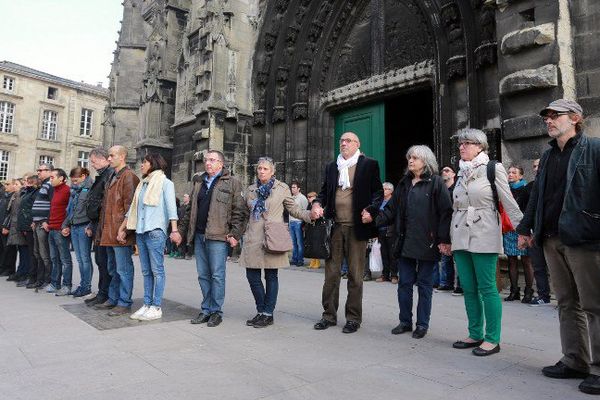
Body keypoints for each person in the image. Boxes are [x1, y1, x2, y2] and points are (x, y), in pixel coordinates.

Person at [516, 99, 600, 395]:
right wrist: (526, 228)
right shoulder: (549, 155)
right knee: (566, 302)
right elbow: (538, 194)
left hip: (584, 238)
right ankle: (575, 359)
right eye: (547, 117)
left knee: (595, 305)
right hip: (551, 238)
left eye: (555, 116)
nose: (549, 121)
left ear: (575, 118)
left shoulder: (594, 148)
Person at [450, 128, 522, 356]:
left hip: (484, 232)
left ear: (480, 146)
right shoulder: (460, 172)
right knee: (468, 288)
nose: (462, 147)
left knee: (487, 287)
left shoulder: (493, 168)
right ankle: (474, 333)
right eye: (461, 143)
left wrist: (524, 230)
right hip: (460, 233)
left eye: (468, 143)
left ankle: (492, 338)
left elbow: (508, 201)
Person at [311, 131, 383, 334]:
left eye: (348, 140)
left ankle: (353, 318)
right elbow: (324, 192)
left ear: (357, 144)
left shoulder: (368, 164)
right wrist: (317, 203)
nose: (343, 143)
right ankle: (329, 315)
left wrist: (371, 210)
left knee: (355, 274)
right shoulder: (331, 166)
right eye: (342, 140)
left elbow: (377, 193)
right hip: (334, 227)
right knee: (331, 274)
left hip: (356, 227)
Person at [377, 146, 453, 339]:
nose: (411, 161)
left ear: (426, 161)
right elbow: (391, 209)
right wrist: (373, 220)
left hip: (427, 242)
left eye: (415, 158)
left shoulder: (436, 182)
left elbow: (446, 212)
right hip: (405, 241)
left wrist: (443, 239)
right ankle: (404, 321)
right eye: (409, 157)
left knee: (425, 285)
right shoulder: (404, 183)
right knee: (404, 283)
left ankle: (422, 324)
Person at [239, 158, 312, 328]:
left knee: (271, 276)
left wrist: (309, 215)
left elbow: (293, 209)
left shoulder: (282, 188)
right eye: (259, 168)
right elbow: (243, 214)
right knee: (252, 276)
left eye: (265, 169)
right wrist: (235, 234)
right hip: (253, 238)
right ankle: (260, 310)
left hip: (273, 237)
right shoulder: (251, 189)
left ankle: (268, 313)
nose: (261, 171)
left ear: (272, 172)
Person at [180, 150, 247, 327]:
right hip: (199, 235)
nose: (207, 163)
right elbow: (189, 211)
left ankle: (216, 311)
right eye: (206, 160)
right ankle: (206, 309)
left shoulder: (232, 183)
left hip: (218, 236)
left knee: (217, 275)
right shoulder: (198, 182)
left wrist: (235, 234)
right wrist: (181, 231)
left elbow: (239, 212)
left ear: (221, 164)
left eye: (212, 160)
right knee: (203, 275)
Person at [118, 154, 181, 321]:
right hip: (141, 231)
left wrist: (174, 230)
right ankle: (147, 304)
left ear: (153, 164)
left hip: (155, 231)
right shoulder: (143, 185)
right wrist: (123, 228)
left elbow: (171, 208)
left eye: (144, 162)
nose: (141, 165)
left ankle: (156, 306)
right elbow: (133, 209)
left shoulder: (165, 183)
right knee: (146, 271)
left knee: (157, 271)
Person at [95, 146, 140, 316]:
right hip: (110, 231)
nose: (109, 158)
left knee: (123, 269)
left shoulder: (128, 177)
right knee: (112, 268)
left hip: (120, 233)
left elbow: (131, 208)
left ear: (122, 157)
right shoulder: (113, 176)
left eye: (112, 155)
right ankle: (113, 299)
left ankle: (124, 302)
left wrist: (126, 231)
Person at [84, 148, 115, 306]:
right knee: (100, 260)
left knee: (104, 261)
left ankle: (106, 294)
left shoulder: (109, 174)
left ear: (103, 159)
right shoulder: (102, 175)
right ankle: (102, 292)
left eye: (94, 161)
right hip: (97, 223)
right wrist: (91, 222)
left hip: (103, 224)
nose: (93, 164)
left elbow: (105, 201)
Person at [503, 165, 534, 303]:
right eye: (509, 172)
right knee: (511, 260)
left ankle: (529, 291)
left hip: (523, 228)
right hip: (509, 228)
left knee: (527, 260)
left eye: (514, 172)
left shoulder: (527, 189)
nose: (510, 174)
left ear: (521, 176)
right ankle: (514, 290)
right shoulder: (505, 190)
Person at [525, 158, 552, 306]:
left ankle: (567, 299)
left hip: (553, 232)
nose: (536, 168)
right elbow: (524, 209)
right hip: (535, 232)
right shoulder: (530, 187)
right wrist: (526, 230)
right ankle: (543, 295)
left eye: (539, 166)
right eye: (534, 166)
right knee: (538, 266)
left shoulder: (553, 185)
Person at [66, 167, 94, 297]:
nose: (74, 183)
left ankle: (86, 286)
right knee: (79, 259)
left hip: (83, 226)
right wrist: (66, 224)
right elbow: (70, 209)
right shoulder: (75, 190)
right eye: (73, 181)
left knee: (85, 258)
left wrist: (90, 226)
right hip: (74, 226)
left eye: (76, 180)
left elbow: (93, 210)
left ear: (84, 176)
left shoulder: (91, 187)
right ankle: (83, 285)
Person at [434, 166, 462, 294]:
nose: (444, 173)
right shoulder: (440, 190)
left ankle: (461, 285)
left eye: (447, 171)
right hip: (444, 224)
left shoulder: (458, 189)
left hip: (457, 224)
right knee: (445, 254)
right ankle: (446, 282)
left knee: (459, 256)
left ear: (454, 174)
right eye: (443, 171)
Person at [47, 168, 74, 296]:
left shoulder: (67, 191)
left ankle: (67, 285)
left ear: (61, 178)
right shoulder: (54, 191)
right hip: (52, 228)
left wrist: (66, 225)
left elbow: (71, 210)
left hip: (60, 229)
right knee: (54, 258)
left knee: (65, 259)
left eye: (52, 177)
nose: (50, 179)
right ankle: (55, 283)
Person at [30, 163, 54, 290]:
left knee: (45, 254)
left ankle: (47, 279)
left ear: (50, 171)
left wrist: (46, 220)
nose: (38, 172)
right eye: (38, 170)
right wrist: (35, 219)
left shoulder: (50, 184)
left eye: (41, 170)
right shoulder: (43, 185)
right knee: (37, 253)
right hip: (37, 222)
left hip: (43, 224)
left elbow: (53, 204)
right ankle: (40, 279)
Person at [4, 179, 29, 282]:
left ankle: (23, 272)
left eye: (16, 184)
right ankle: (20, 271)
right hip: (15, 226)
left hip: (20, 226)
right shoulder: (15, 196)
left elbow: (21, 212)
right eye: (13, 184)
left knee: (24, 251)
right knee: (21, 249)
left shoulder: (21, 196)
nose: (14, 186)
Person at [18, 175, 40, 288]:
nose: (26, 183)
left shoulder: (35, 192)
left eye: (28, 181)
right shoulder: (27, 192)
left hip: (30, 225)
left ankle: (32, 277)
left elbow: (33, 209)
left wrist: (30, 223)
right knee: (29, 252)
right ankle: (29, 276)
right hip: (25, 225)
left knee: (32, 253)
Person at [375, 182, 398, 284]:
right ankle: (385, 274)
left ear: (391, 191)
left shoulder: (394, 201)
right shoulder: (379, 201)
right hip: (380, 230)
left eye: (386, 189)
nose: (384, 191)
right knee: (383, 253)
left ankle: (394, 275)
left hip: (390, 230)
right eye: (383, 189)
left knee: (392, 254)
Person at [0, 179, 19, 277]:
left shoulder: (14, 197)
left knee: (9, 249)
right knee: (2, 249)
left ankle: (9, 269)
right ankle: (2, 267)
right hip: (2, 225)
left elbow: (11, 214)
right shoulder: (4, 196)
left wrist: (6, 226)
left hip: (8, 226)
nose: (5, 186)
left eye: (8, 184)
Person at [288, 181, 308, 267]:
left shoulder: (302, 198)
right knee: (294, 242)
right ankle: (294, 258)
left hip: (298, 222)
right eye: (291, 187)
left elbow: (304, 211)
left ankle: (300, 260)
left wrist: (303, 223)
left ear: (298, 188)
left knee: (300, 242)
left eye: (294, 187)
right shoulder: (291, 198)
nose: (292, 189)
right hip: (291, 222)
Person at [306, 191, 321, 269]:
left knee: (316, 244)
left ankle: (317, 262)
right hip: (310, 226)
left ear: (315, 197)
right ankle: (312, 262)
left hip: (317, 226)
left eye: (310, 197)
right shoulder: (309, 205)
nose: (309, 199)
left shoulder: (318, 205)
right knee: (311, 244)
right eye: (308, 197)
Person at [175, 194, 190, 259]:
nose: (183, 198)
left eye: (185, 197)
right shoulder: (181, 207)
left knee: (188, 240)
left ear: (188, 198)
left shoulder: (189, 207)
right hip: (181, 225)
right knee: (182, 240)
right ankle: (182, 254)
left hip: (188, 226)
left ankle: (189, 254)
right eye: (183, 197)